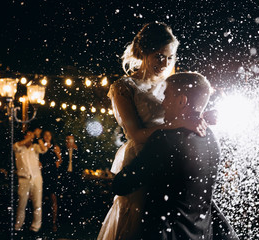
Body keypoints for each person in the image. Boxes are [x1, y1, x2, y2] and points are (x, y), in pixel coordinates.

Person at [97, 22, 207, 240]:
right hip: (142, 155)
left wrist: (202, 116)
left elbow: (186, 107)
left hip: (172, 155)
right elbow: (136, 134)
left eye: (170, 57)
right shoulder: (124, 87)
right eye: (159, 56)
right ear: (145, 51)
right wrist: (176, 126)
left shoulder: (171, 82)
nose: (165, 63)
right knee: (140, 221)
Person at [112, 72, 239, 239]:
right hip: (201, 235)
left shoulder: (165, 139)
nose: (162, 103)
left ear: (182, 101)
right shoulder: (210, 137)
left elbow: (122, 185)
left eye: (166, 95)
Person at [14, 128, 47, 234]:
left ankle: (36, 227)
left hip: (36, 177)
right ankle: (18, 226)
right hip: (23, 179)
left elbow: (44, 149)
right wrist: (29, 136)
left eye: (31, 136)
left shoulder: (35, 147)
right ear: (24, 136)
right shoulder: (18, 147)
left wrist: (38, 137)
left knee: (37, 203)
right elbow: (17, 146)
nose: (31, 137)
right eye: (28, 135)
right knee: (21, 204)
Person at [39, 130, 61, 232]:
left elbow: (60, 159)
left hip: (52, 174)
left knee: (53, 198)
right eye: (45, 135)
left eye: (49, 135)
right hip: (42, 174)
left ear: (51, 136)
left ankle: (53, 222)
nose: (47, 136)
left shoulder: (55, 147)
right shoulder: (40, 147)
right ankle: (42, 222)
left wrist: (57, 163)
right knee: (42, 198)